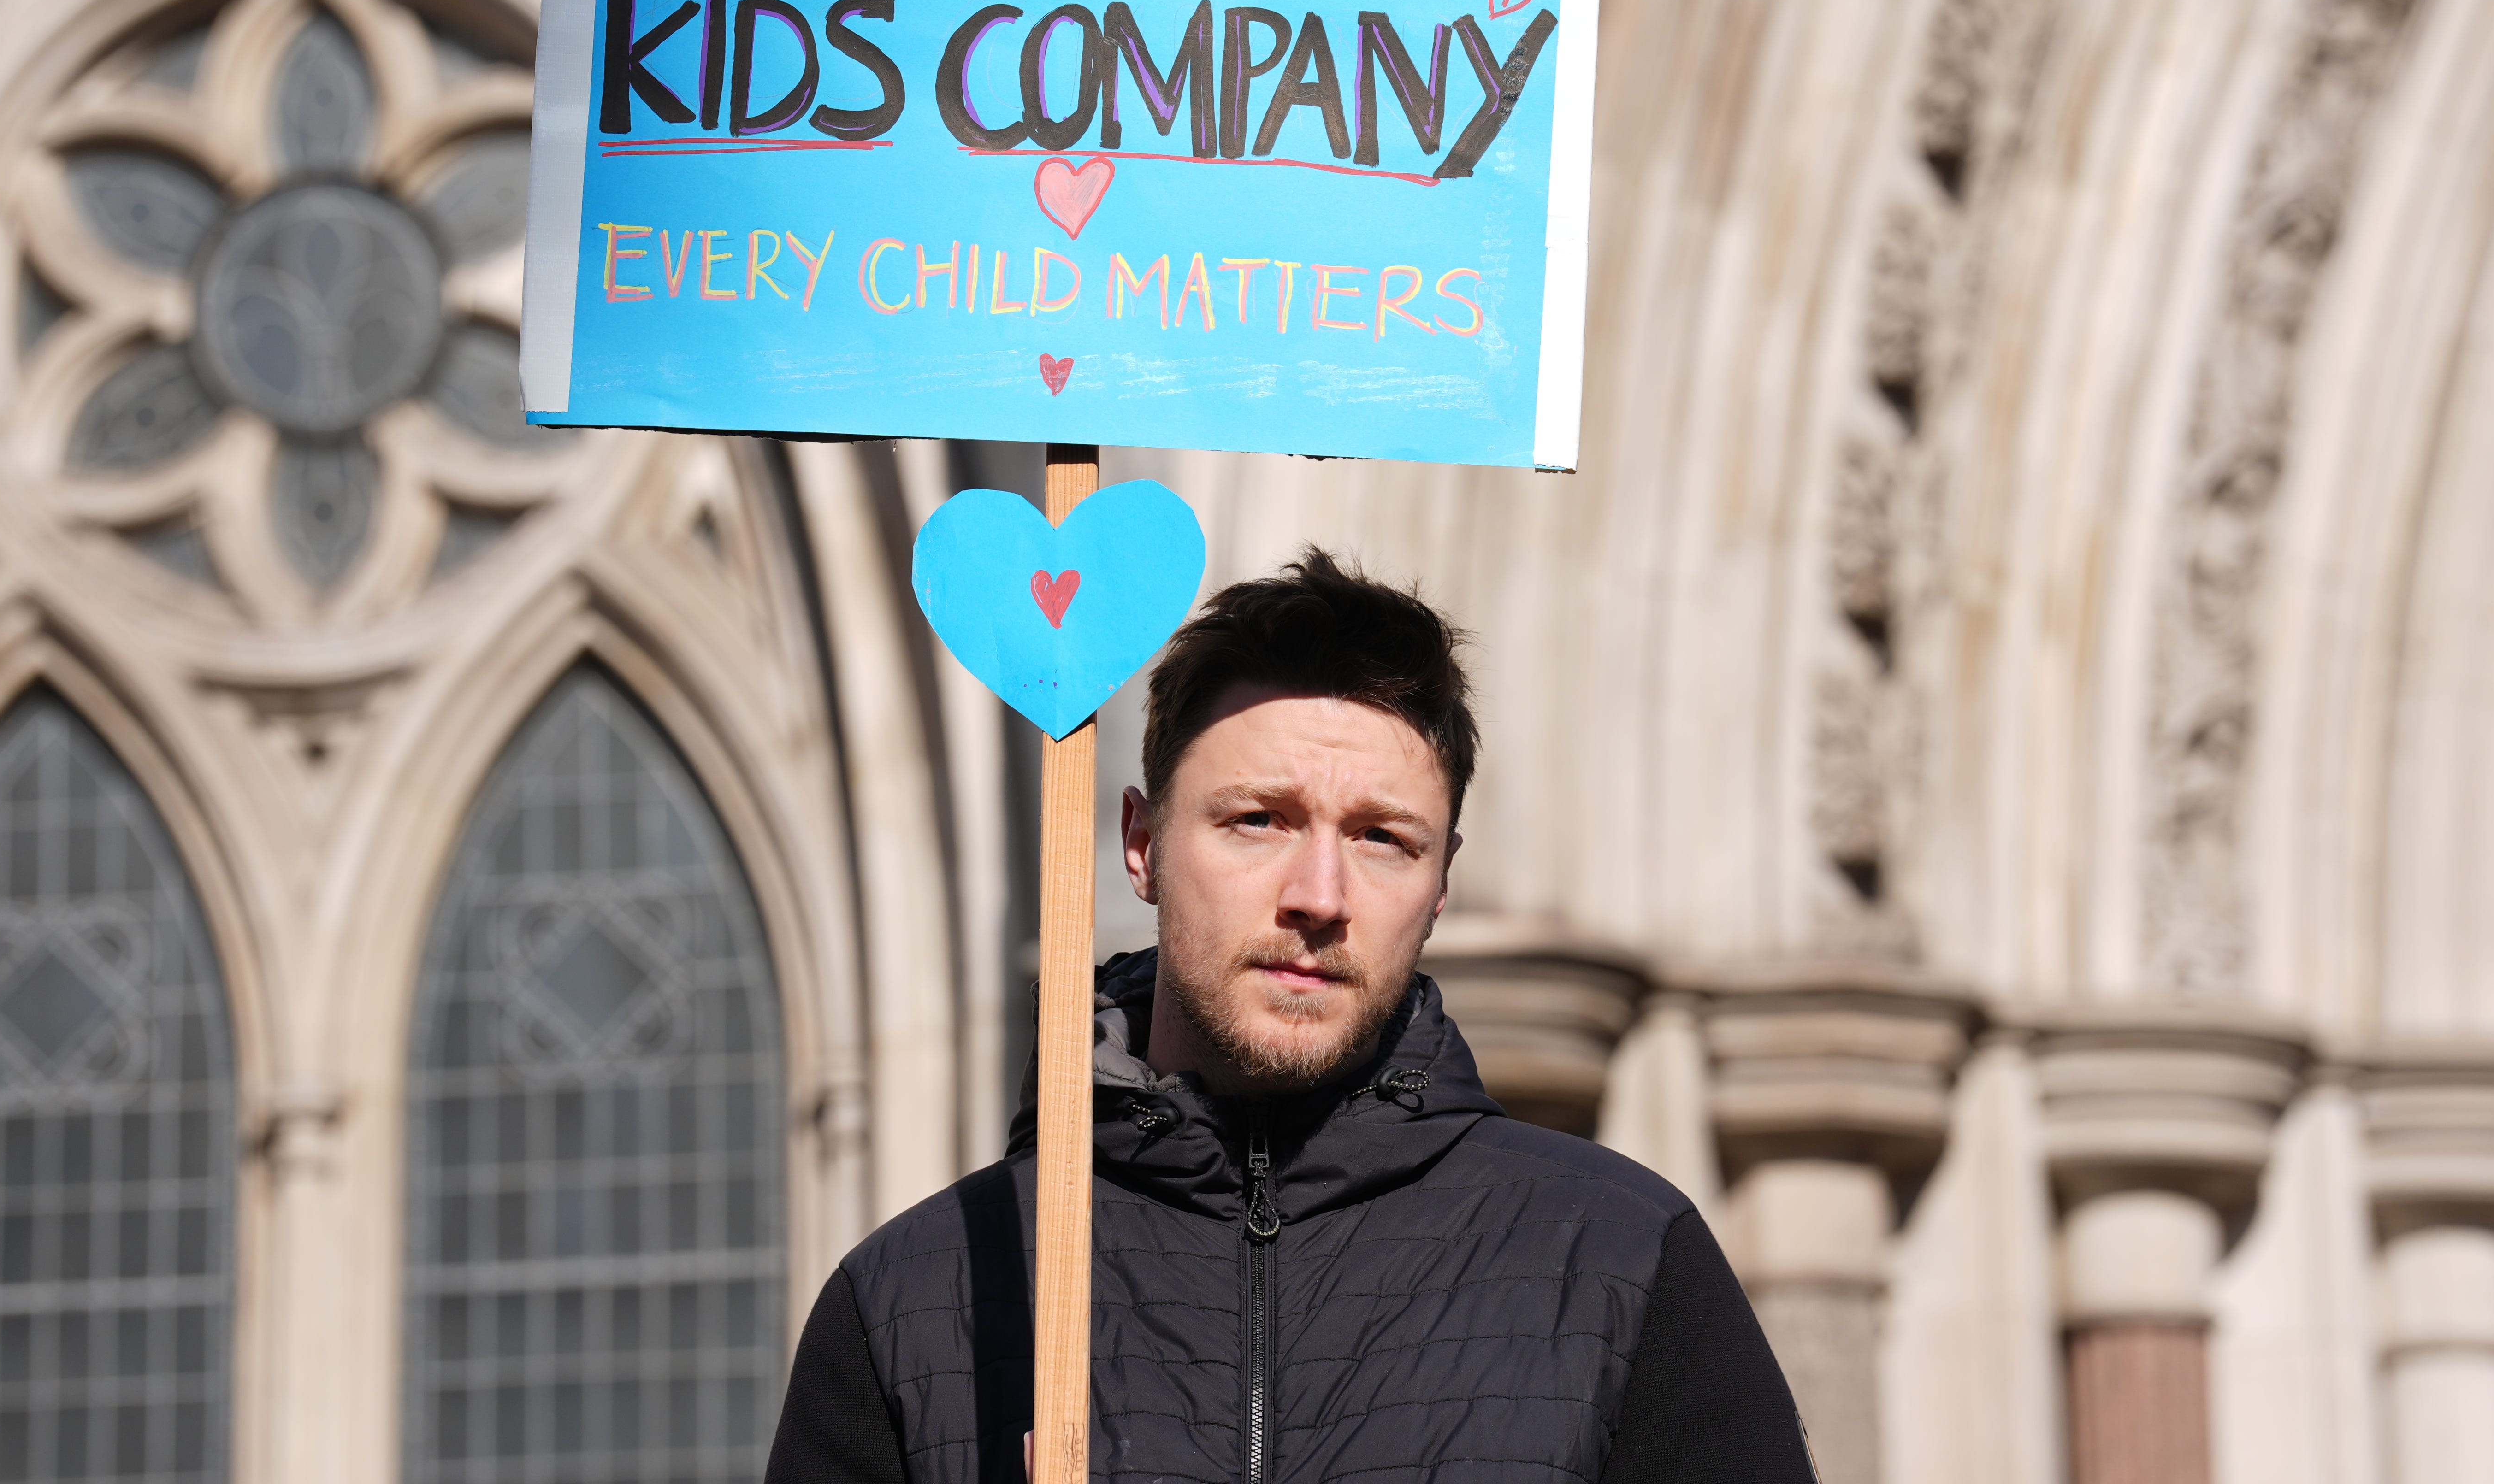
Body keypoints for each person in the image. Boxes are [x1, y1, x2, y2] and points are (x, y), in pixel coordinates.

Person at [765, 548, 1820, 1484]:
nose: (1319, 893)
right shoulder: (920, 1298)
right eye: (1258, 819)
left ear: (1441, 881)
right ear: (1140, 842)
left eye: (1382, 838)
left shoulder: (1622, 1266)